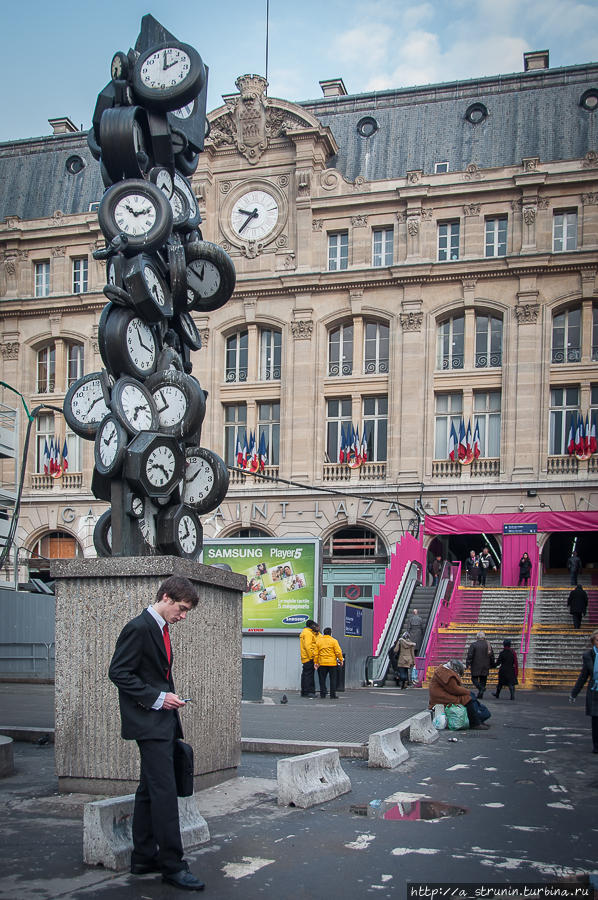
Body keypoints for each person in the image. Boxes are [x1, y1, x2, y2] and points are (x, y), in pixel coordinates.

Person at [108, 575, 205, 892]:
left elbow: (156, 675)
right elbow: (118, 672)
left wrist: (167, 698)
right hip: (148, 722)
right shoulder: (139, 627)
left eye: (186, 611)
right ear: (165, 597)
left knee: (149, 790)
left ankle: (143, 857)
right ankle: (173, 866)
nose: (183, 616)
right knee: (165, 794)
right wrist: (159, 698)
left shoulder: (160, 628)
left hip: (160, 721)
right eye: (181, 608)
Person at [428, 659, 489, 730]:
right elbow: (454, 689)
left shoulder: (444, 671)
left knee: (469, 697)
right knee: (468, 699)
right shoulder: (447, 675)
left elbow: (453, 689)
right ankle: (475, 723)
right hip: (441, 697)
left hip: (441, 695)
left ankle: (478, 720)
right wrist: (467, 691)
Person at [569, 629, 598, 754]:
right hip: (595, 690)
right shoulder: (589, 655)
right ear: (593, 641)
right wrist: (574, 693)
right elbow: (583, 676)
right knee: (596, 720)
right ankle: (596, 745)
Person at [314, 627, 344, 699]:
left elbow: (315, 653)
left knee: (322, 679)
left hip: (322, 663)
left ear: (324, 633)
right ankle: (332, 695)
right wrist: (341, 660)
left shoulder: (319, 641)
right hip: (332, 664)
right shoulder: (334, 641)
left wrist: (316, 662)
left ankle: (323, 694)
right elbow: (338, 652)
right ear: (330, 633)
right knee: (333, 679)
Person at [466, 631, 495, 699]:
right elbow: (492, 656)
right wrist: (492, 664)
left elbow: (470, 655)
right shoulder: (488, 645)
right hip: (486, 665)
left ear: (477, 637)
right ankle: (481, 693)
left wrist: (468, 663)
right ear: (484, 637)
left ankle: (481, 688)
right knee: (483, 680)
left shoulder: (474, 645)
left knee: (474, 679)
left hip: (476, 665)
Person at [299, 619, 319, 698]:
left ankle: (304, 691)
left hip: (305, 657)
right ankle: (309, 692)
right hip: (309, 658)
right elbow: (308, 646)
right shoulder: (308, 634)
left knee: (305, 674)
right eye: (314, 625)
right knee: (309, 675)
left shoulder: (304, 632)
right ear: (311, 625)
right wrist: (312, 657)